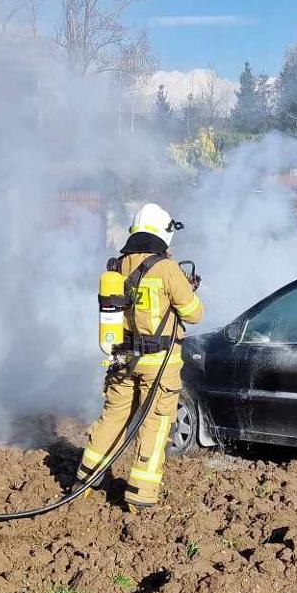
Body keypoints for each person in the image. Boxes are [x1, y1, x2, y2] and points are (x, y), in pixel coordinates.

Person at [79, 203, 205, 508]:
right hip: (158, 364)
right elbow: (194, 313)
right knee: (156, 423)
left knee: (113, 418)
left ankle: (88, 478)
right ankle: (140, 496)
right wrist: (189, 290)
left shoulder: (117, 265)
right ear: (163, 233)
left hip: (122, 359)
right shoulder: (166, 268)